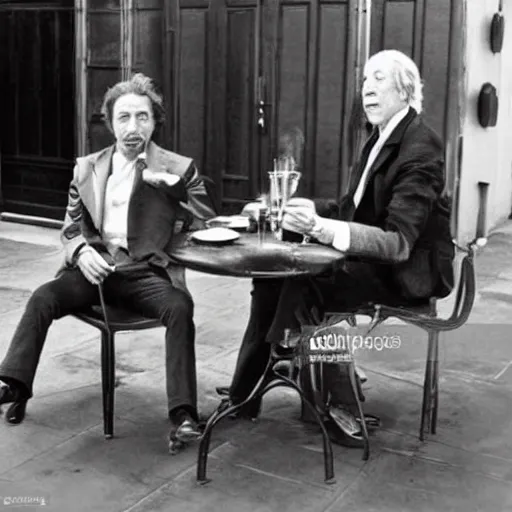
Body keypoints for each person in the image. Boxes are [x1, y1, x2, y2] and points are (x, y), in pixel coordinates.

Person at [226, 50, 455, 446]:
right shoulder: (380, 136)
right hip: (375, 260)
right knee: (271, 275)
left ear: (405, 90)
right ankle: (246, 391)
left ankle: (335, 400)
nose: (366, 88)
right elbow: (350, 209)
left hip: (407, 272)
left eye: (378, 79)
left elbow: (398, 242)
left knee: (310, 282)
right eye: (365, 80)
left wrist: (321, 229)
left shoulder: (421, 148)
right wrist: (306, 209)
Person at [0, 73, 216, 452]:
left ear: (155, 121)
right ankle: (13, 385)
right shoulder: (87, 167)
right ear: (110, 123)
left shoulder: (178, 167)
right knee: (42, 297)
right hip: (94, 271)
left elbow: (205, 222)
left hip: (144, 273)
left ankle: (183, 415)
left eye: (142, 117)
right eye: (124, 118)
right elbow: (70, 228)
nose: (134, 127)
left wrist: (174, 189)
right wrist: (82, 252)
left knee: (180, 307)